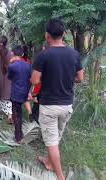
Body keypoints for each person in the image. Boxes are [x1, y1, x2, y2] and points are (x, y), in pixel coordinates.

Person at [31, 19, 84, 180]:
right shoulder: (74, 54)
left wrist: (47, 78)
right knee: (55, 137)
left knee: (52, 141)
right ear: (64, 34)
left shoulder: (43, 55)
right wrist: (66, 78)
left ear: (47, 36)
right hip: (67, 105)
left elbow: (34, 80)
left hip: (49, 106)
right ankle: (48, 161)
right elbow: (80, 78)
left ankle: (60, 177)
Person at [8, 45, 31, 144]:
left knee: (16, 114)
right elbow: (31, 79)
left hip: (16, 92)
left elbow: (9, 77)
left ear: (12, 53)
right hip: (25, 91)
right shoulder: (28, 65)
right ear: (22, 54)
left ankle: (18, 137)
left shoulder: (12, 66)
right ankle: (19, 134)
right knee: (19, 113)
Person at [31, 42, 50, 123]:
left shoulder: (42, 59)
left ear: (43, 48)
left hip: (41, 91)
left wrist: (34, 94)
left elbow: (37, 81)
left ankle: (35, 120)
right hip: (53, 93)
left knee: (37, 107)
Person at [21, 45, 33, 120]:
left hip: (19, 80)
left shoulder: (18, 60)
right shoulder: (29, 60)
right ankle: (30, 112)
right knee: (26, 98)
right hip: (27, 80)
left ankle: (14, 112)